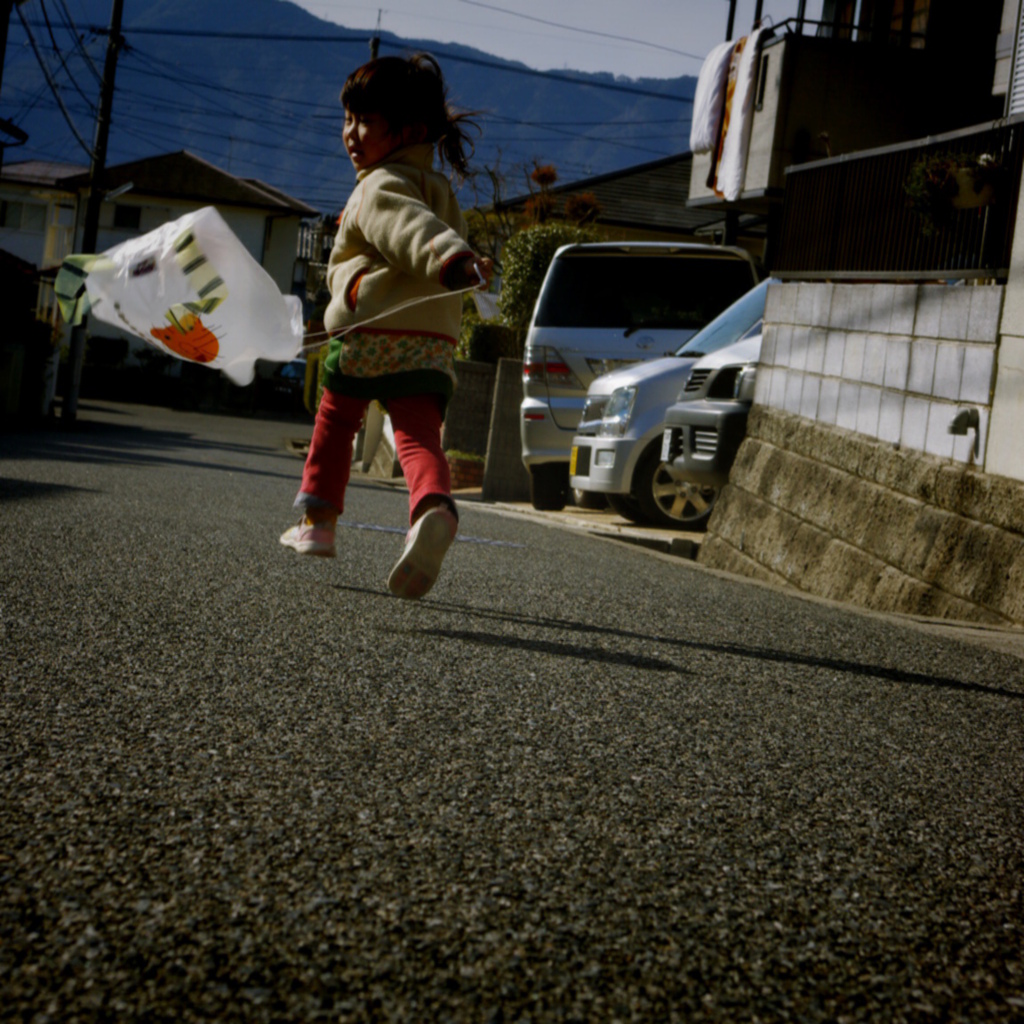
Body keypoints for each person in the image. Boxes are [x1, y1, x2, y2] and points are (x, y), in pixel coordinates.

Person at [280, 53, 493, 600]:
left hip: (372, 331)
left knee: (334, 419)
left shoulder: (379, 186)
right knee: (418, 437)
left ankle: (318, 523)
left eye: (367, 121)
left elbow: (408, 230)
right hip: (431, 342)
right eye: (348, 119)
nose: (352, 133)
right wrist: (461, 264)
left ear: (411, 130)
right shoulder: (440, 189)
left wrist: (451, 259)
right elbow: (423, 228)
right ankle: (432, 508)